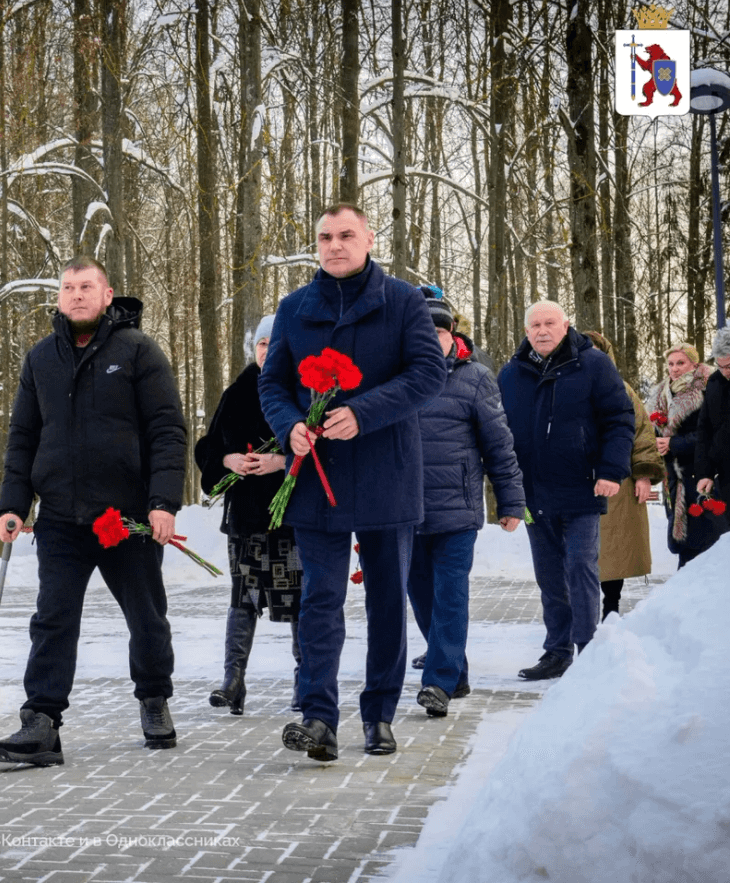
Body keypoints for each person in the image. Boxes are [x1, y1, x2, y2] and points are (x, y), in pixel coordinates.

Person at [258, 204, 447, 761]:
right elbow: (273, 385)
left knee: (388, 600)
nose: (335, 245)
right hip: (317, 477)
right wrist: (290, 424)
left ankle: (379, 714)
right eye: (324, 237)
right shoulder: (295, 308)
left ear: (368, 239)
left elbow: (427, 374)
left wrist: (364, 412)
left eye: (346, 235)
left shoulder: (404, 302)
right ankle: (318, 717)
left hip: (386, 472)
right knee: (320, 599)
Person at [0, 256, 187, 766]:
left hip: (127, 518)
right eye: (68, 287)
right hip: (59, 518)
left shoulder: (138, 351)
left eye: (87, 286)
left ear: (107, 293)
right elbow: (23, 438)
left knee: (146, 616)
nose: (76, 295)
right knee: (52, 619)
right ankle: (42, 722)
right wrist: (13, 504)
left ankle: (154, 699)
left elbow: (167, 429)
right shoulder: (40, 359)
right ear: (59, 297)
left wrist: (163, 502)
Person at [497, 302, 634, 681]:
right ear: (526, 331)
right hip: (532, 493)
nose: (542, 331)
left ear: (566, 325)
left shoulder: (593, 365)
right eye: (535, 325)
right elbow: (497, 434)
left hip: (581, 486)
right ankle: (557, 652)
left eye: (550, 323)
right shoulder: (510, 374)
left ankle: (588, 649)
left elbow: (620, 420)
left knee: (580, 566)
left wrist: (610, 470)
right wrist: (506, 490)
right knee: (549, 576)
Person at [407, 290, 524, 718]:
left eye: (437, 330)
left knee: (450, 594)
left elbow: (499, 445)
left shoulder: (474, 377)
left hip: (457, 510)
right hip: (405, 512)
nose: (430, 337)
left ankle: (437, 681)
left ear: (450, 333)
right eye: (422, 330)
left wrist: (510, 499)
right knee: (420, 596)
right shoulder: (397, 377)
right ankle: (455, 671)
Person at [194, 314, 301, 716]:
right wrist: (227, 459)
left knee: (298, 600)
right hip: (246, 517)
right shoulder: (236, 392)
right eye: (261, 344)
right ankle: (233, 680)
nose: (267, 351)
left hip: (290, 517)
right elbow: (206, 448)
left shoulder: (301, 390)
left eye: (275, 345)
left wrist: (281, 461)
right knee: (244, 597)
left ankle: (303, 681)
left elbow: (320, 447)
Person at [583, 331, 664, 619]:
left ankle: (611, 607)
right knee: (579, 550)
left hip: (616, 480)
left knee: (613, 548)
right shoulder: (563, 386)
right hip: (576, 481)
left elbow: (642, 433)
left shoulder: (622, 390)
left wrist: (644, 475)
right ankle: (580, 610)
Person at [648, 342, 728, 568]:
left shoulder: (709, 388)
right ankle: (684, 596)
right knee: (685, 544)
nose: (674, 369)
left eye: (680, 363)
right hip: (675, 480)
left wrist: (674, 443)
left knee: (708, 541)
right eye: (671, 363)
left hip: (704, 475)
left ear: (694, 363)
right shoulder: (661, 394)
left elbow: (713, 434)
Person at [696, 325, 730, 503]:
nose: (725, 372)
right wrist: (705, 473)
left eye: (729, 366)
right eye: (720, 366)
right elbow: (705, 430)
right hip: (725, 476)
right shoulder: (715, 383)